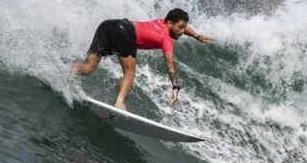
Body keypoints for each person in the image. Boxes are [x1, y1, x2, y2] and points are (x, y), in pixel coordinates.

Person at [72, 8, 213, 110]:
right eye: (180, 28)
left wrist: (197, 36)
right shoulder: (165, 38)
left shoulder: (162, 22)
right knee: (130, 72)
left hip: (108, 25)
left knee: (88, 67)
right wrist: (175, 87)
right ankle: (119, 103)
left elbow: (182, 26)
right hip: (125, 32)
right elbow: (170, 66)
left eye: (184, 28)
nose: (182, 32)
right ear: (170, 23)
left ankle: (67, 70)